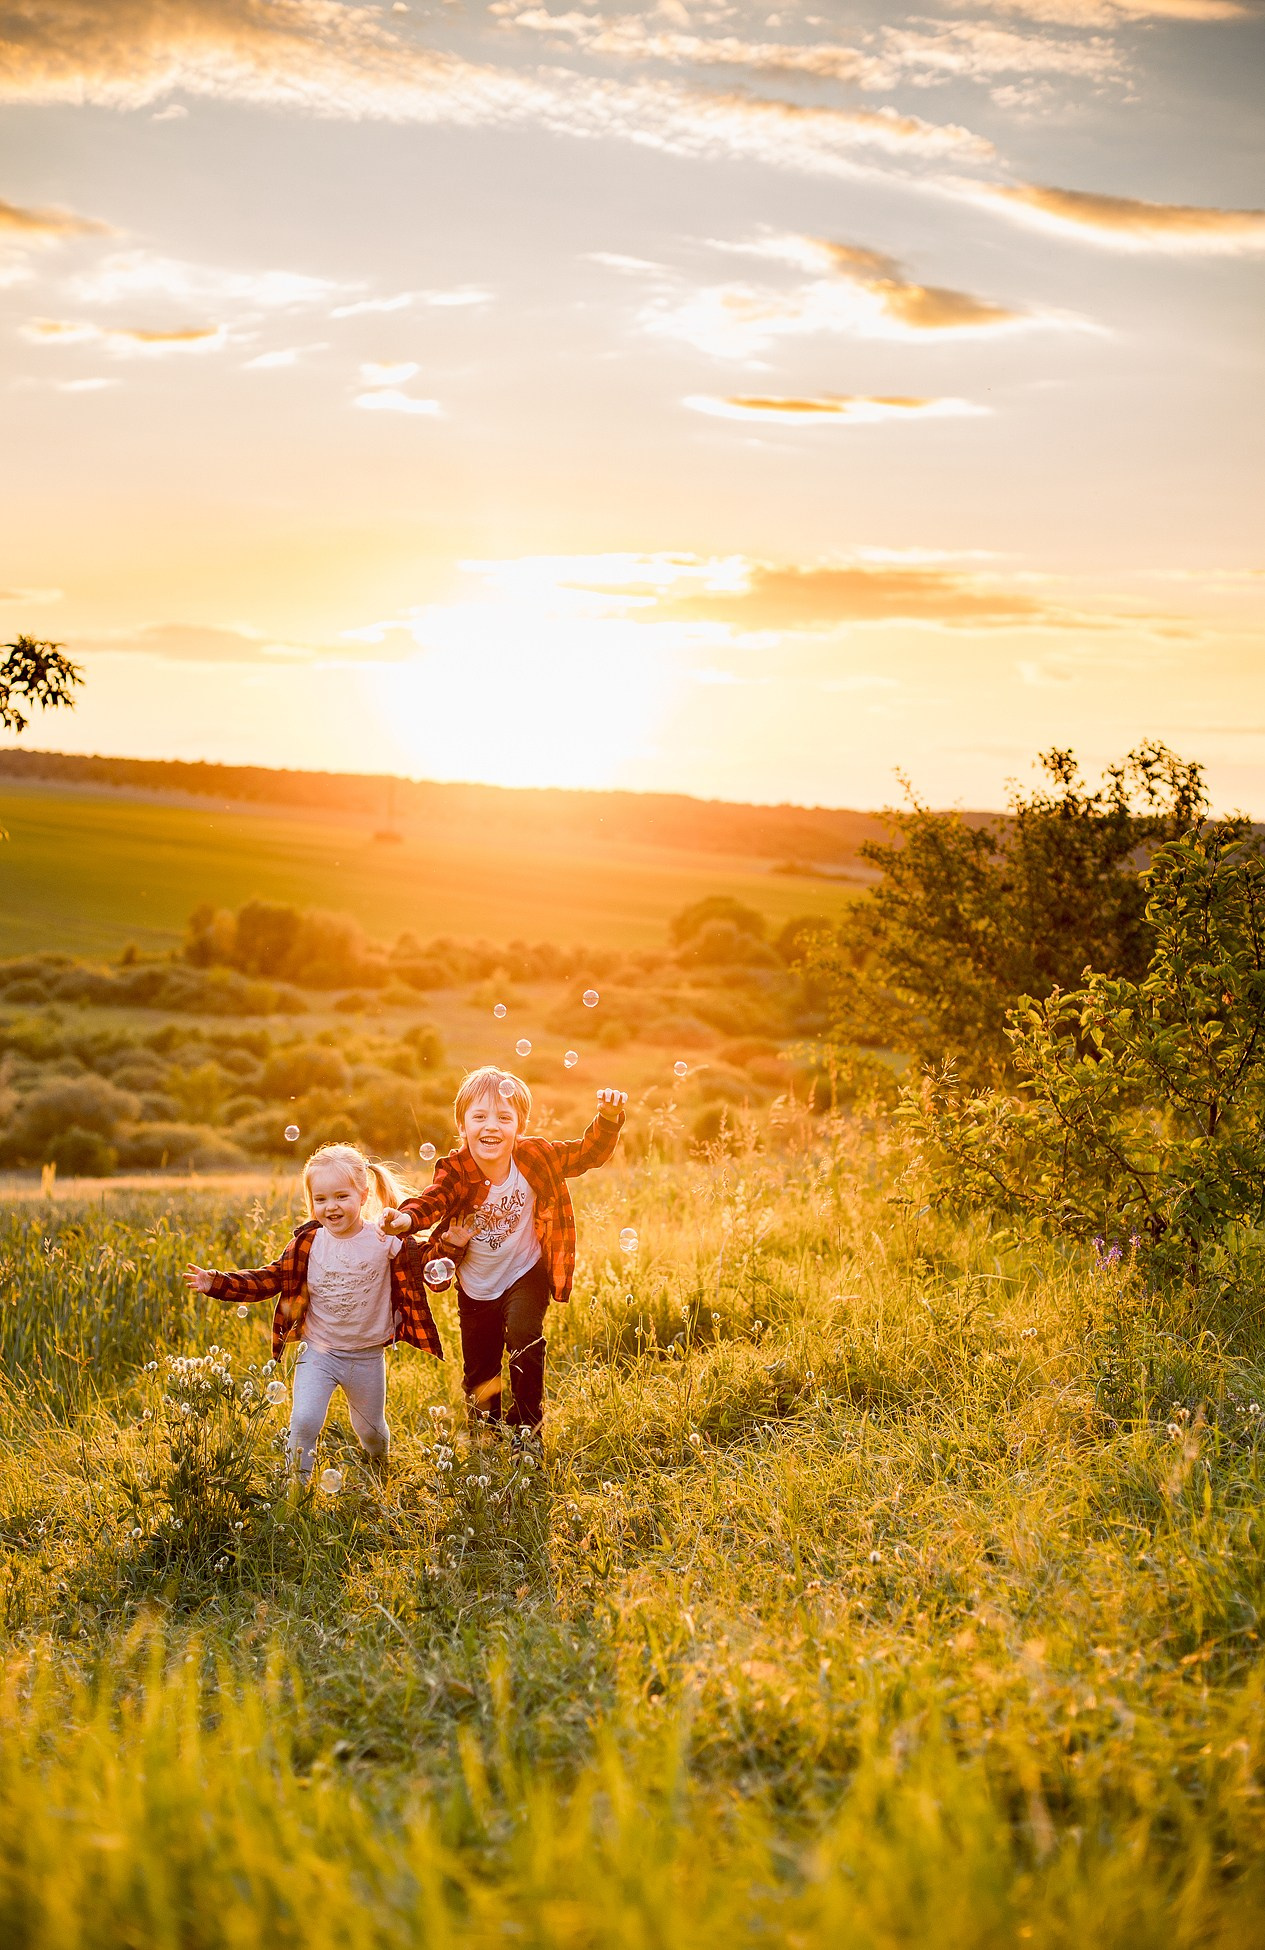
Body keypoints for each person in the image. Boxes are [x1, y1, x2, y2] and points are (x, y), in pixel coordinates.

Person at [380, 1069, 626, 1436]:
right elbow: (434, 1200)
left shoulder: (535, 1156)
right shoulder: (456, 1170)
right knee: (480, 1370)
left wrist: (607, 1120)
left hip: (525, 1271)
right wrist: (407, 1219)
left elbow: (586, 1154)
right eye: (479, 1117)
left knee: (525, 1337)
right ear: (462, 1127)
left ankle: (528, 1426)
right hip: (477, 1287)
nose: (491, 1126)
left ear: (519, 1127)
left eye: (503, 1118)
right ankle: (486, 1432)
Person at [185, 1142, 446, 1483]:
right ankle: (297, 1489)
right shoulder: (308, 1244)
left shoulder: (385, 1239)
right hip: (318, 1352)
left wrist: (453, 1243)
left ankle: (380, 1465)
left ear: (363, 1195)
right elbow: (270, 1278)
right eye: (321, 1199)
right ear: (311, 1202)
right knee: (304, 1420)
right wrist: (217, 1282)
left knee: (371, 1432)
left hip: (366, 1357)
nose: (331, 1207)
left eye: (341, 1196)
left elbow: (428, 1260)